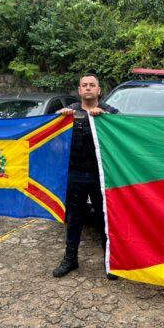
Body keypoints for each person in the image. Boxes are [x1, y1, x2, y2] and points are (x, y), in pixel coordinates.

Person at [52, 73, 119, 279]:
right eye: (84, 85)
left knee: (105, 218)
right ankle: (70, 259)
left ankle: (111, 262)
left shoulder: (111, 113)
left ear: (99, 90)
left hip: (101, 175)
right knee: (74, 218)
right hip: (75, 174)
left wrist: (108, 120)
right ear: (79, 90)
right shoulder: (68, 113)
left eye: (92, 85)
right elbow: (53, 143)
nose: (88, 88)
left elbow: (123, 134)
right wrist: (57, 119)